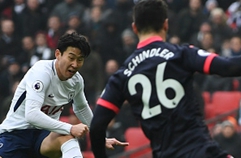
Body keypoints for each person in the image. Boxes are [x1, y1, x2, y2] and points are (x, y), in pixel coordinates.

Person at [89, 0, 241, 157]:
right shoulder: (182, 54)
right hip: (199, 150)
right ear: (166, 24)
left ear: (134, 28)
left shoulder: (122, 75)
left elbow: (96, 127)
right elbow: (228, 66)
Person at [0, 32, 128, 158]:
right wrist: (70, 128)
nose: (75, 64)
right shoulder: (41, 71)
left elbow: (81, 108)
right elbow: (31, 114)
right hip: (15, 134)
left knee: (67, 138)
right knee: (68, 132)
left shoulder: (77, 81)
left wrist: (100, 138)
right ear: (58, 54)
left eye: (80, 60)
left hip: (43, 137)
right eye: (71, 58)